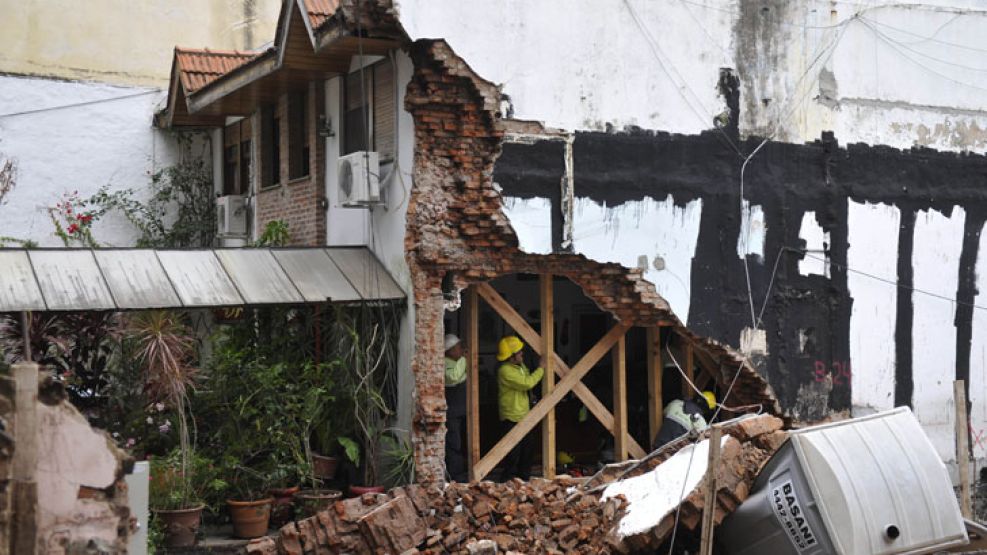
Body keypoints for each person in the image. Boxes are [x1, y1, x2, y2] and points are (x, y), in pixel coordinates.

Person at [496, 335, 545, 480]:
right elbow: (527, 383)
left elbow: (526, 381)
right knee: (513, 455)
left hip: (523, 415)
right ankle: (506, 483)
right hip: (512, 417)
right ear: (511, 356)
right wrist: (541, 368)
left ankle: (523, 481)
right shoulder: (505, 370)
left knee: (527, 451)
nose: (522, 354)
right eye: (519, 352)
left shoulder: (519, 366)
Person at [652, 390, 716, 449]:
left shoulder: (675, 403)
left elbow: (664, 413)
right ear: (707, 409)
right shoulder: (700, 421)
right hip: (673, 456)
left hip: (657, 447)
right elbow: (703, 443)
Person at [444, 334, 469, 482]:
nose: (462, 349)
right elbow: (453, 377)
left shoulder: (457, 362)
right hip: (452, 412)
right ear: (450, 351)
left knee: (460, 443)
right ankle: (456, 475)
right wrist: (464, 359)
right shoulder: (445, 364)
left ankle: (461, 472)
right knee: (454, 444)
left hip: (461, 411)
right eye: (459, 347)